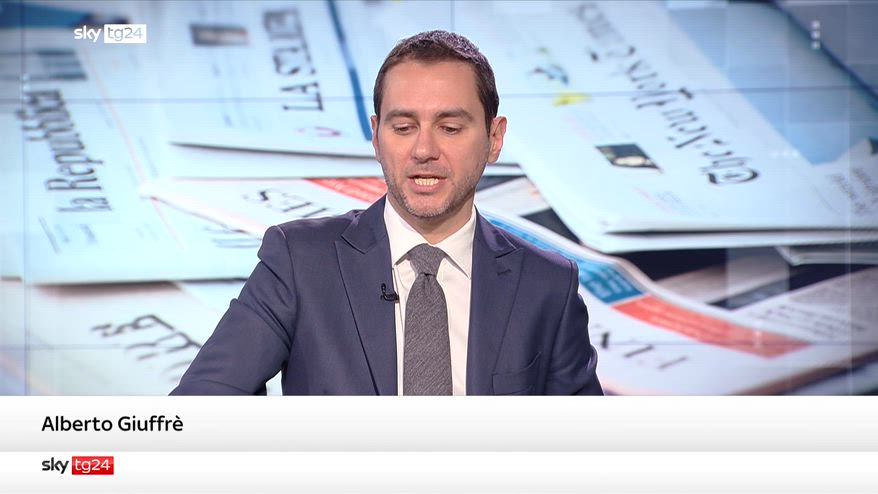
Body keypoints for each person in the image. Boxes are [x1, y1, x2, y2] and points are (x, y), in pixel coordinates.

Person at [172, 30, 602, 395]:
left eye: (450, 128)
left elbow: (589, 448)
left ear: (494, 138)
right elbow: (199, 407)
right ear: (377, 137)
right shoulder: (300, 261)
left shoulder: (546, 285)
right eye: (404, 128)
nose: (424, 150)